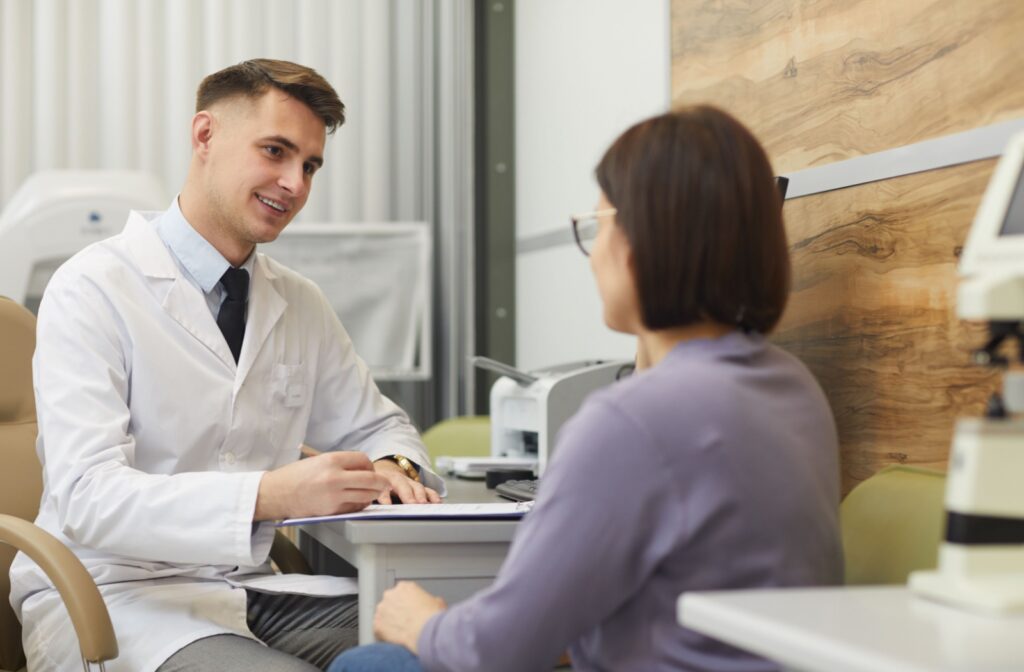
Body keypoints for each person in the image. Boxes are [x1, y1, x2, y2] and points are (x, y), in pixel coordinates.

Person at [329, 105, 844, 672]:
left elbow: (496, 651)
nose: (594, 253)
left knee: (372, 661)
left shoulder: (632, 421)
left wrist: (419, 621)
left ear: (643, 242)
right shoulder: (795, 387)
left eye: (598, 226)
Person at [9, 59, 445, 672]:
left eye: (310, 165)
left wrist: (392, 467)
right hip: (113, 597)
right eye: (275, 151)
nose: (294, 183)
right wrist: (268, 495)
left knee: (450, 647)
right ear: (205, 136)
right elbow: (88, 498)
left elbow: (384, 428)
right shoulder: (92, 288)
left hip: (249, 589)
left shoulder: (299, 303)